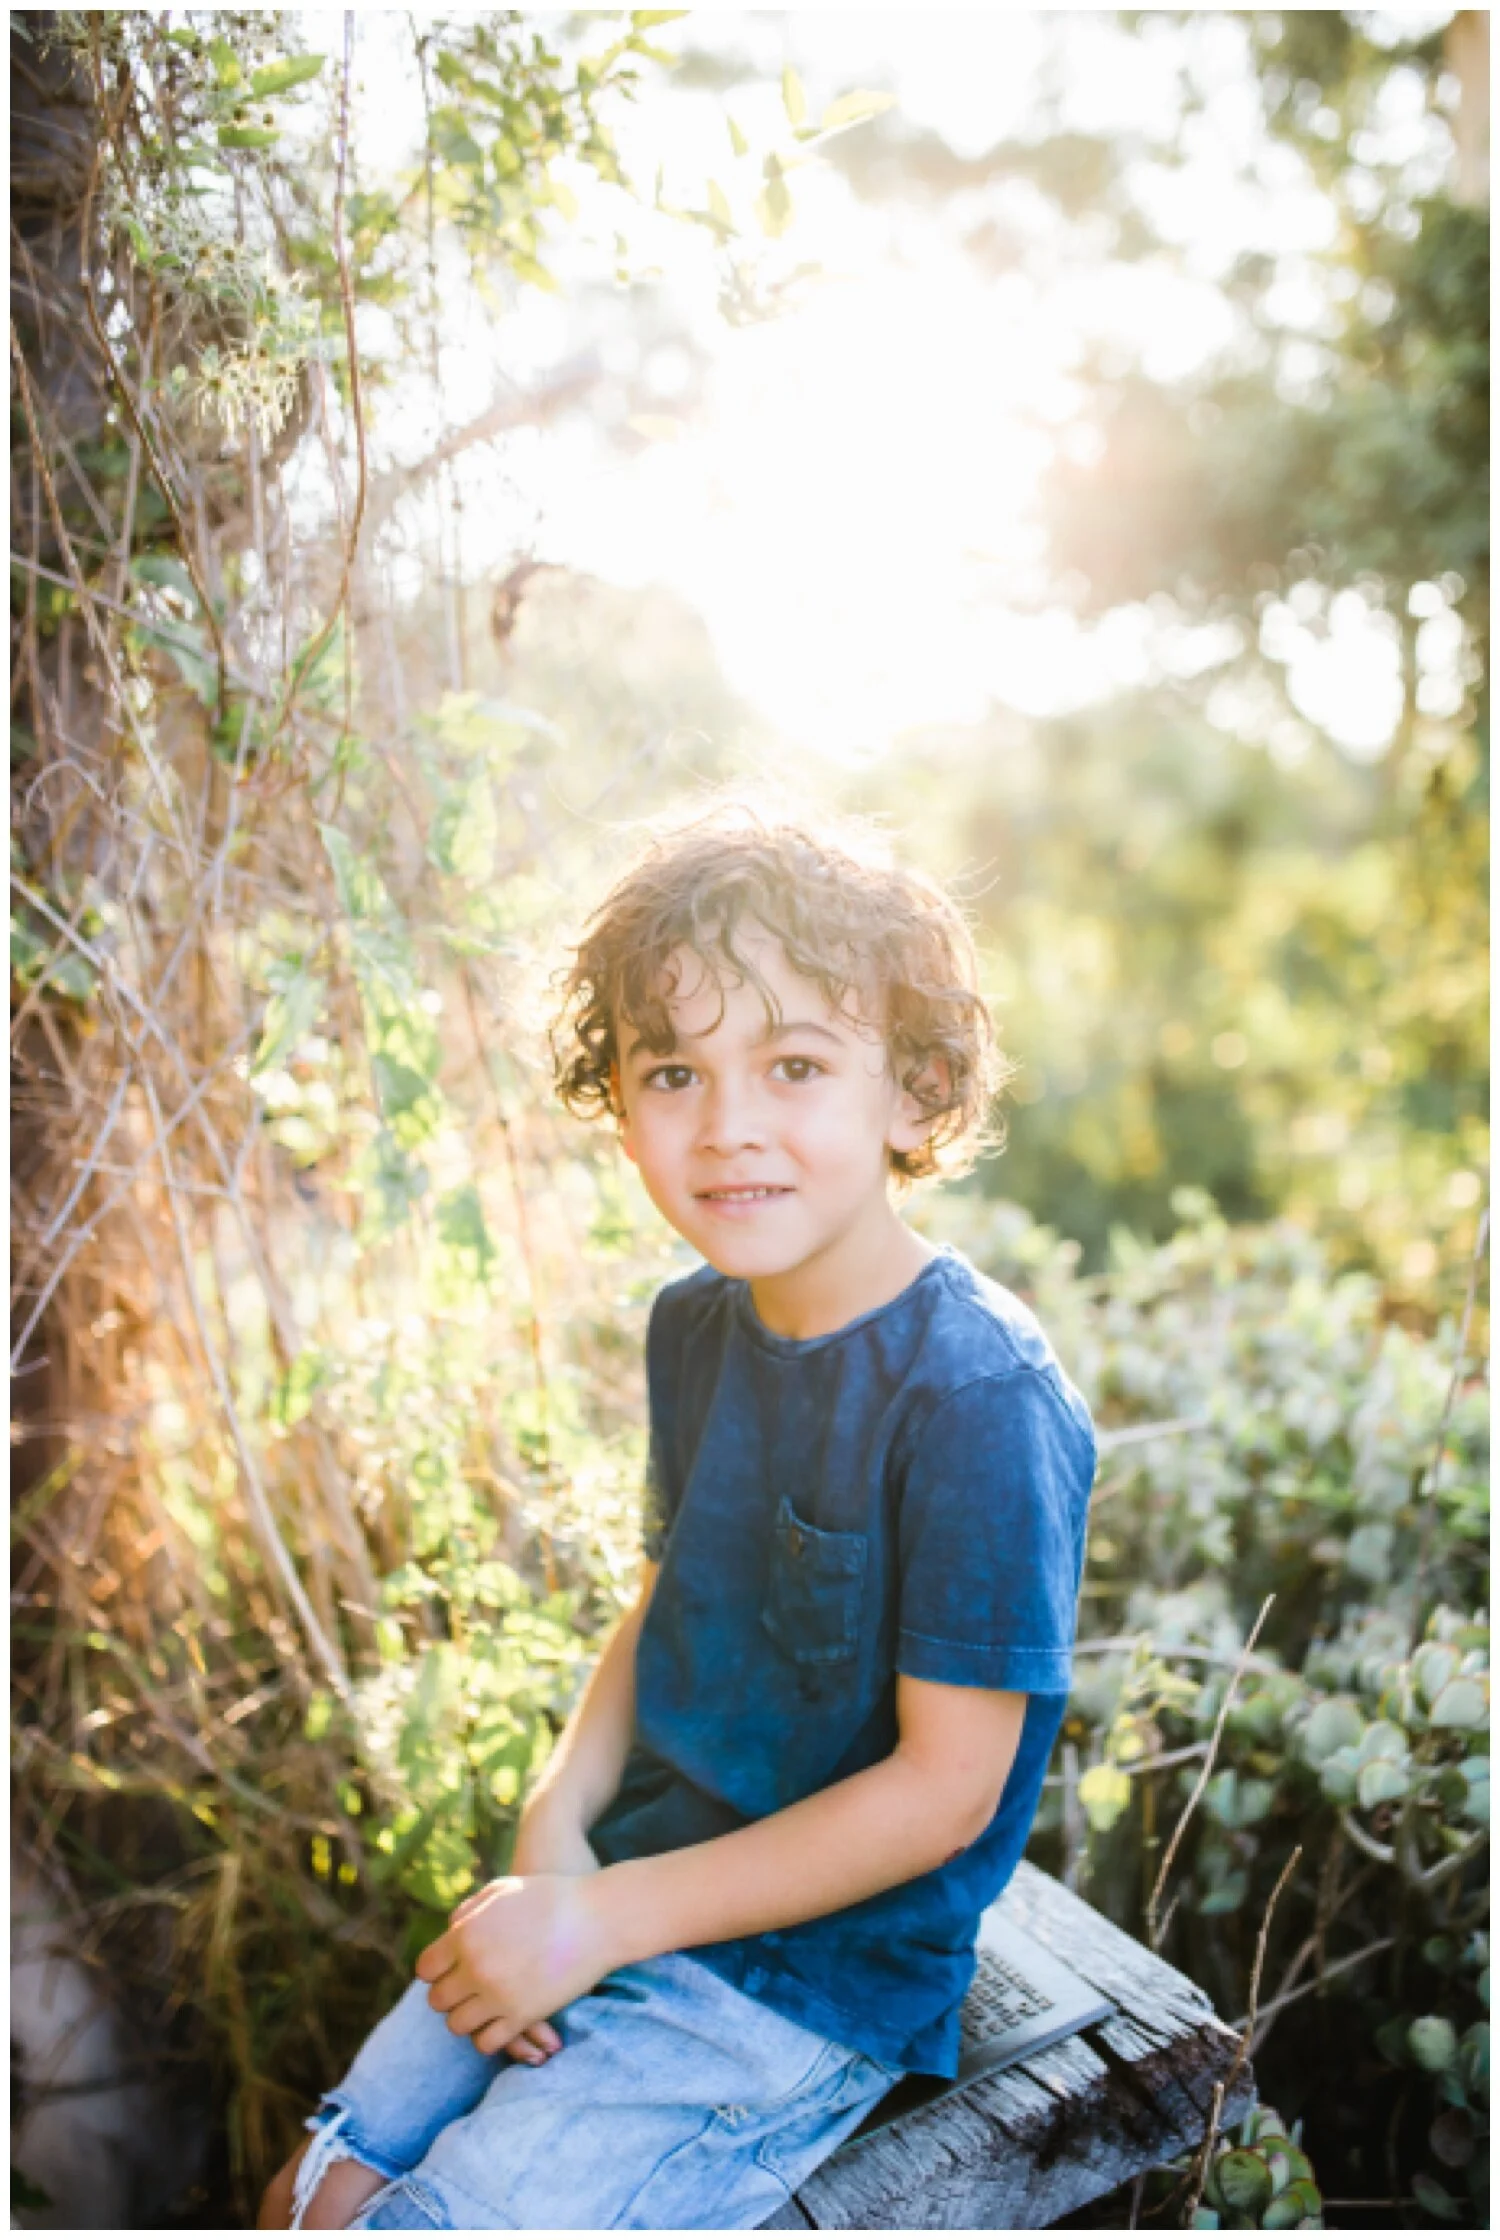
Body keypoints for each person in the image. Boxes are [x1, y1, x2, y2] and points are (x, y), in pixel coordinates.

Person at [259, 802, 1096, 2231]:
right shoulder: (696, 1327)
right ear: (618, 1101)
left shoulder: (975, 1393)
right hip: (628, 1882)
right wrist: (557, 1820)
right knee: (309, 2191)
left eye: (793, 1065)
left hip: (802, 1978)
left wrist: (604, 1922)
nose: (728, 1130)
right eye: (672, 1073)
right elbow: (670, 1600)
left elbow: (944, 1790)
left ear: (913, 1092)